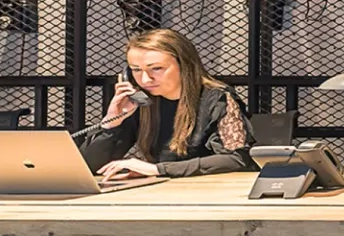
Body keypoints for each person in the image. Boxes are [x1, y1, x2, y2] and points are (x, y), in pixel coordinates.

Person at [78, 28, 256, 179]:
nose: (146, 79)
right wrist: (111, 123)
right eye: (136, 70)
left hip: (211, 189)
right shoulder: (140, 102)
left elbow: (237, 158)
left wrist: (158, 170)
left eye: (156, 68)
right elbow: (88, 168)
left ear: (184, 65)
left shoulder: (216, 98)